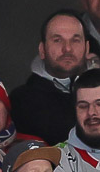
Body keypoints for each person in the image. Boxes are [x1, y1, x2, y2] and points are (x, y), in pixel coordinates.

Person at [13, 11, 90, 147]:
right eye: (57, 40)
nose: (67, 48)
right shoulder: (21, 101)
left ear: (87, 48)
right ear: (42, 50)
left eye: (75, 40)